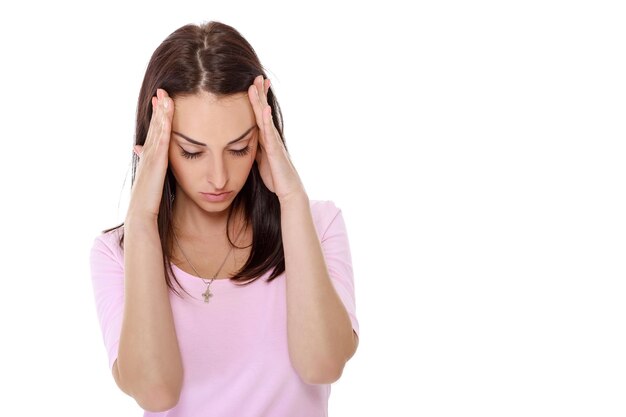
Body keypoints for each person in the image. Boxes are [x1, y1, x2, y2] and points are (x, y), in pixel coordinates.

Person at [89, 21, 359, 416]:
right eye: (192, 152)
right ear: (158, 145)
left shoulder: (318, 225)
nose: (218, 178)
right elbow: (155, 392)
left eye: (238, 148)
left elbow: (322, 365)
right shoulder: (117, 253)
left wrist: (292, 199)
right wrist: (143, 220)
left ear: (264, 139)